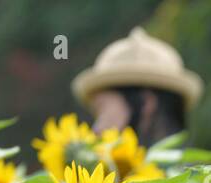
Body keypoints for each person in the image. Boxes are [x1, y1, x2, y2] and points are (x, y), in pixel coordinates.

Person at [71, 26, 202, 142]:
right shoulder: (200, 167)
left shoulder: (183, 170)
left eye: (103, 109)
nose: (96, 129)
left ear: (146, 103)